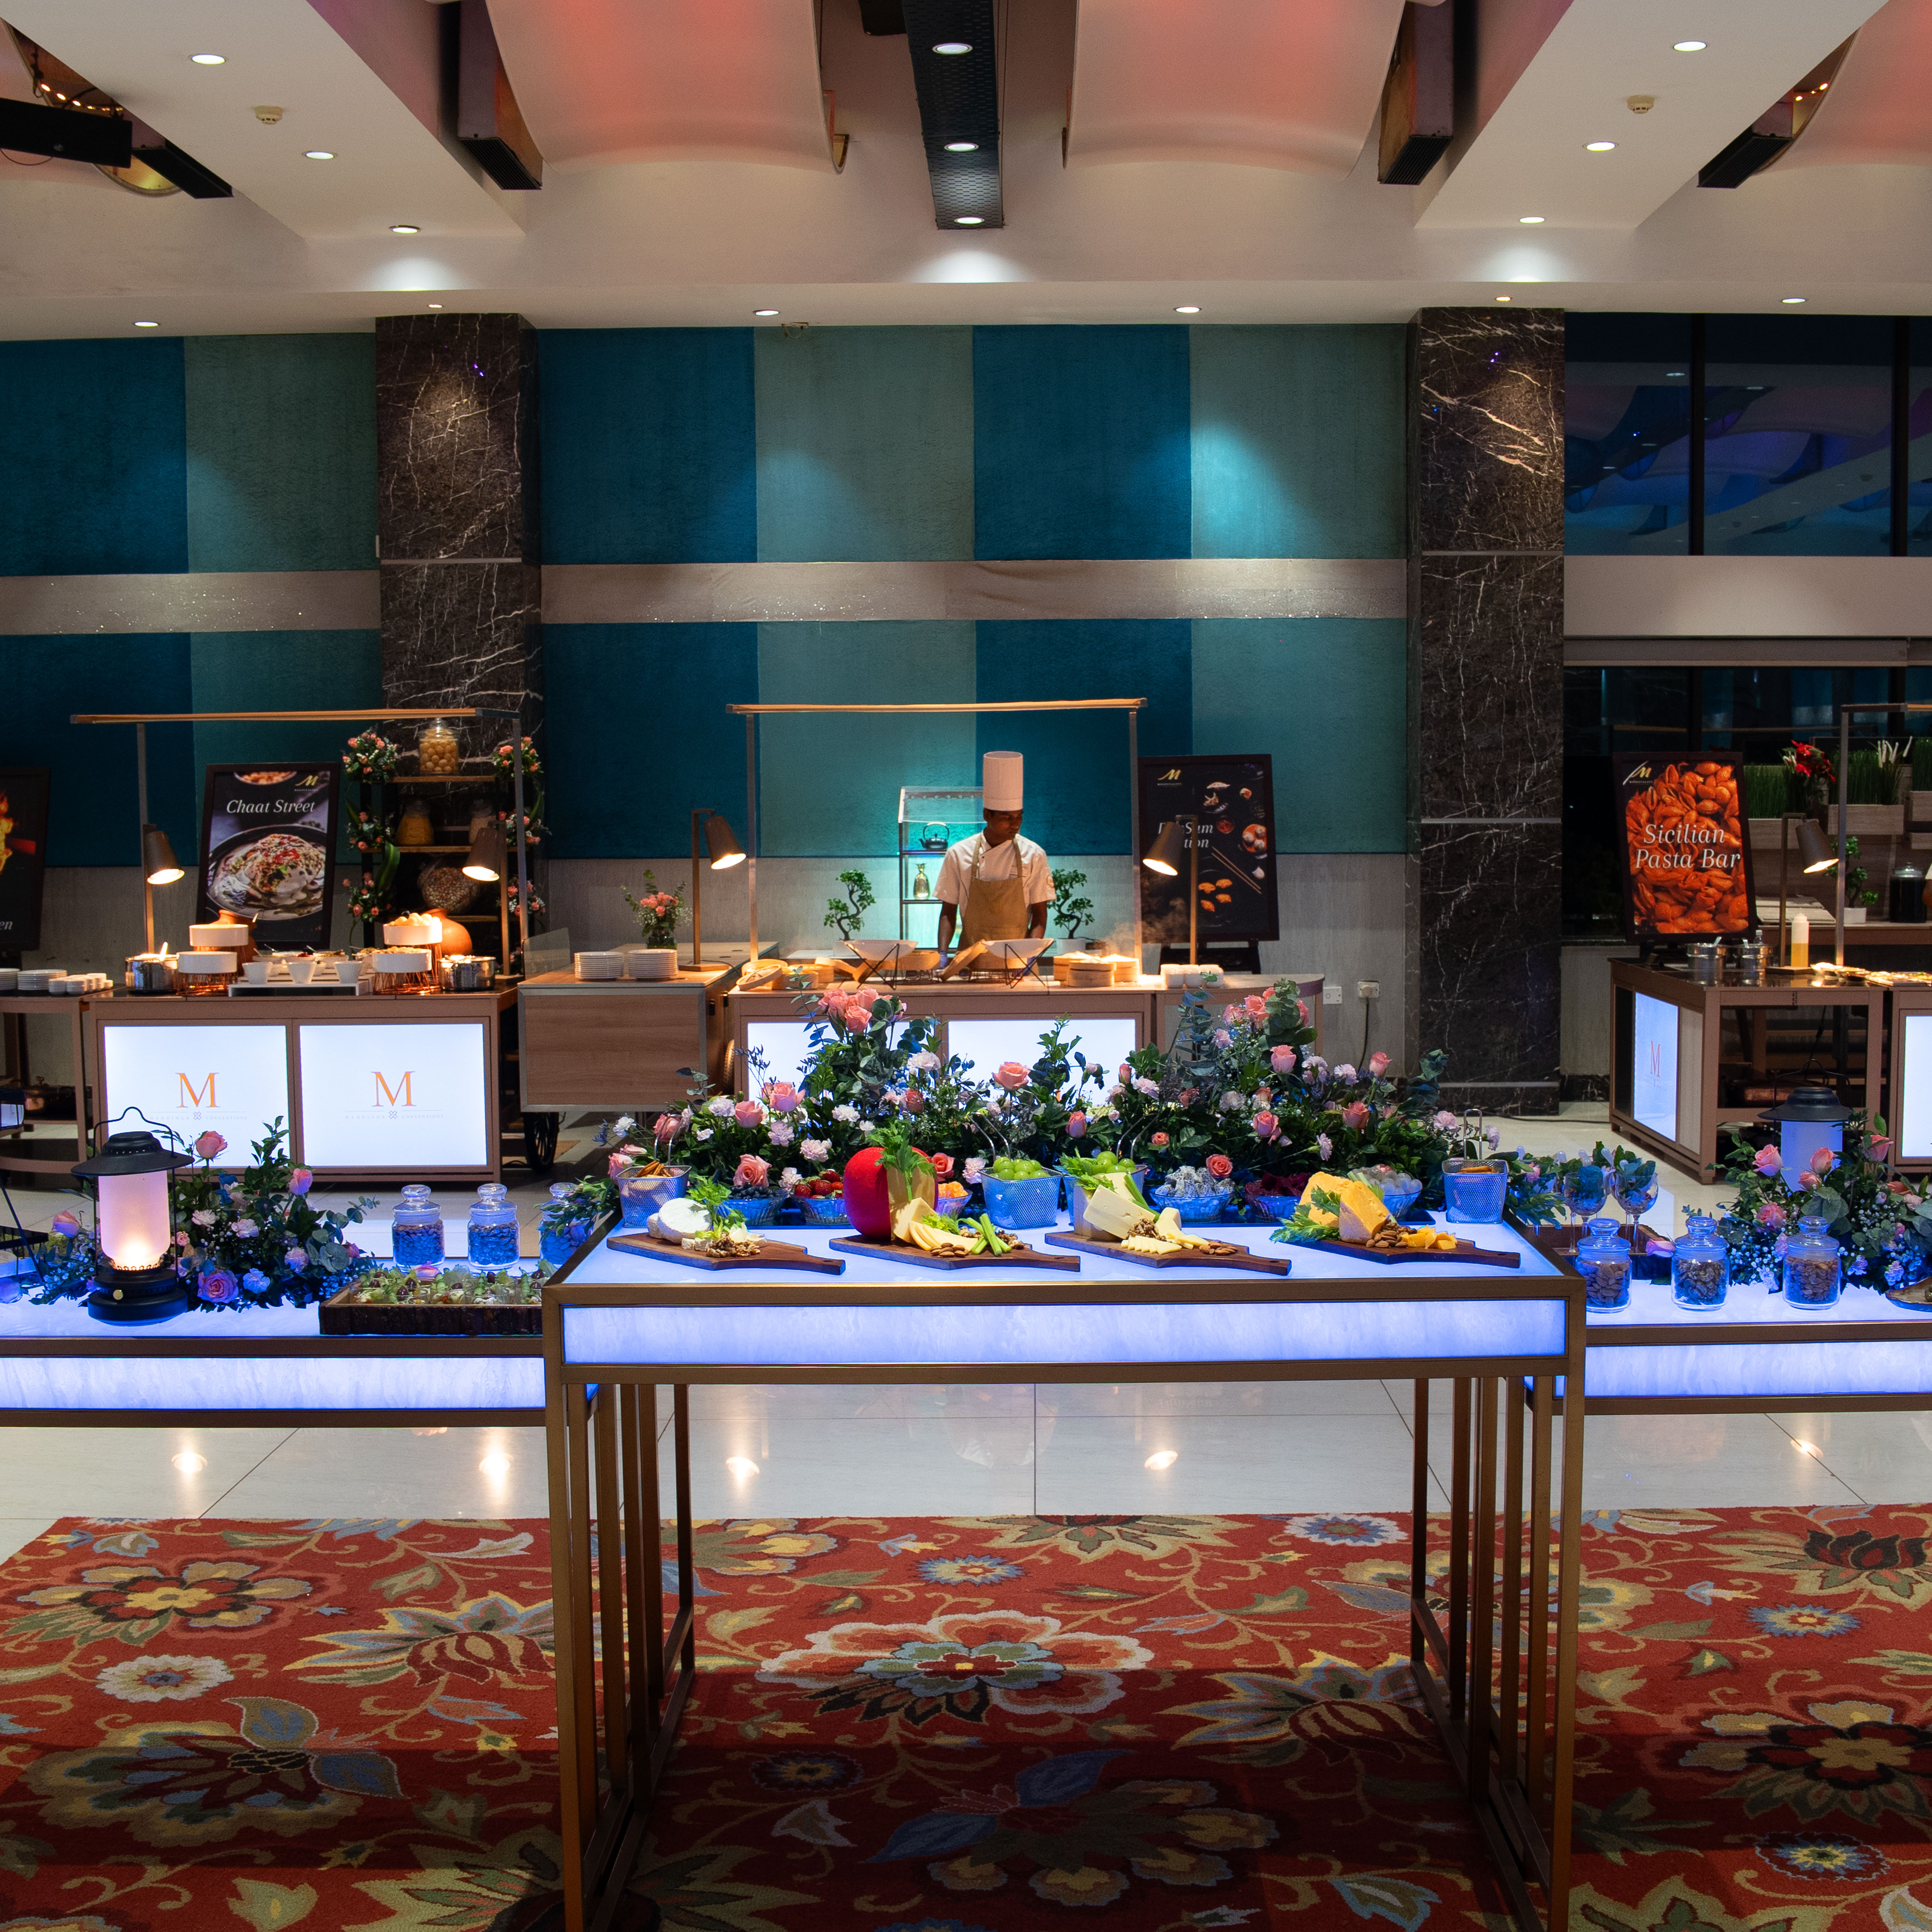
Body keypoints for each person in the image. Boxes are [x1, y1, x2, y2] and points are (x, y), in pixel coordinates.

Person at [936, 751, 1052, 949]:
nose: (1015, 824)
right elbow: (948, 911)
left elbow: (1040, 915)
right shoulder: (958, 853)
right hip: (970, 960)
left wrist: (1030, 955)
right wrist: (942, 954)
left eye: (1019, 817)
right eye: (1007, 818)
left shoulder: (1034, 854)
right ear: (987, 815)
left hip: (1017, 961)